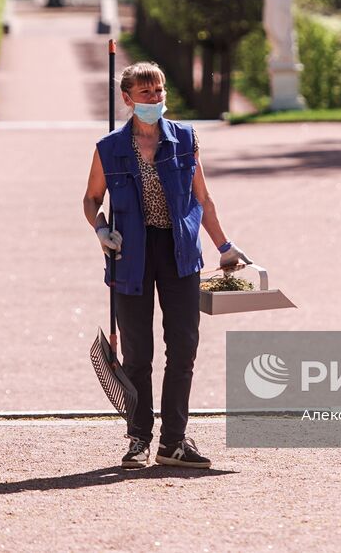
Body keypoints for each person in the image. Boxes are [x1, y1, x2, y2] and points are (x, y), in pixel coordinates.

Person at [82, 61, 248, 469]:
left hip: (180, 254)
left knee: (184, 349)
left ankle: (173, 441)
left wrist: (224, 246)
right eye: (146, 93)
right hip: (130, 255)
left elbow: (203, 199)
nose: (155, 99)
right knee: (138, 353)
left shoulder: (185, 139)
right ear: (127, 99)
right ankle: (138, 439)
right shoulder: (109, 148)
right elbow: (91, 199)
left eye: (159, 92)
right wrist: (101, 230)